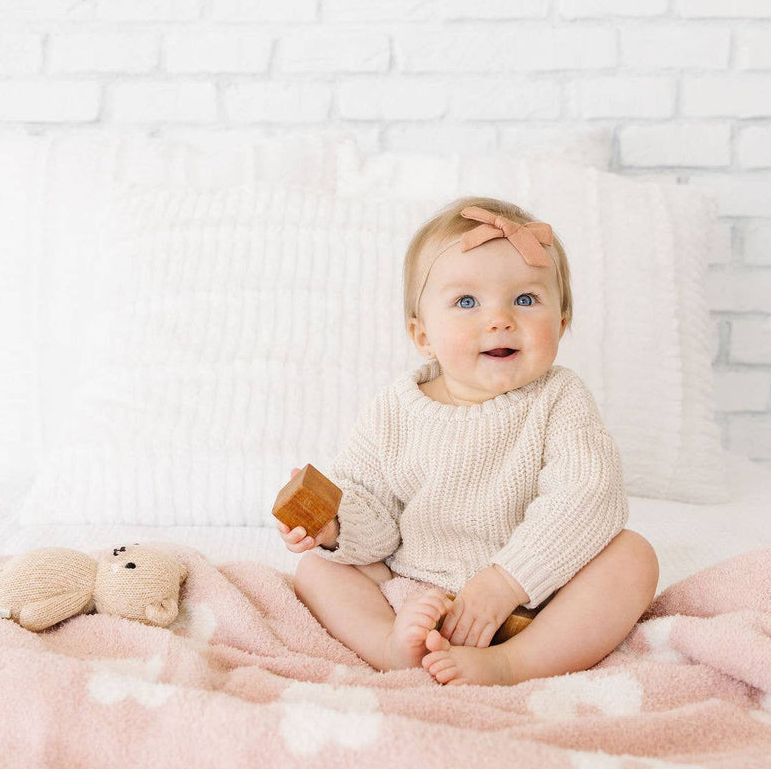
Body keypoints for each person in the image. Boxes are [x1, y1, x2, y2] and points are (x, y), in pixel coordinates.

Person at [275, 197, 659, 686]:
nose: (498, 319)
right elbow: (375, 515)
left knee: (632, 557)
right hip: (416, 596)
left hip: (534, 600)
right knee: (318, 570)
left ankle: (510, 664)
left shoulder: (560, 398)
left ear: (561, 323)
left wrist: (504, 582)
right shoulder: (395, 410)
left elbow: (588, 496)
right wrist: (333, 525)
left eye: (525, 300)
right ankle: (392, 646)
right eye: (466, 302)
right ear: (422, 335)